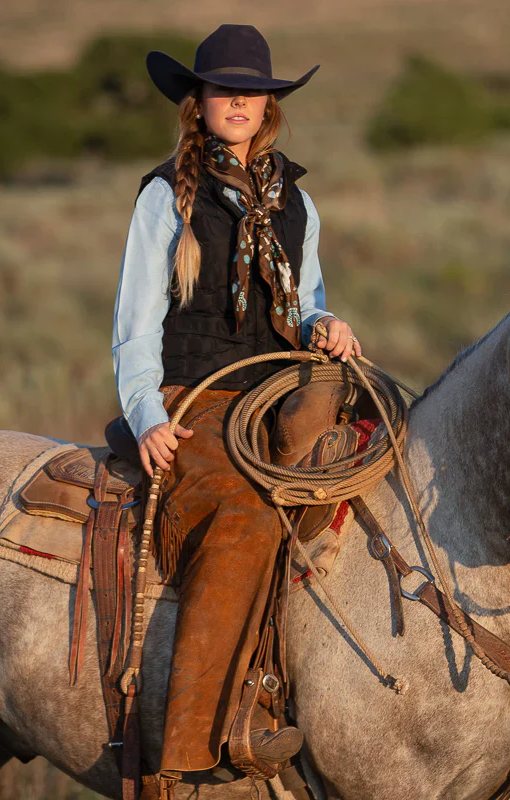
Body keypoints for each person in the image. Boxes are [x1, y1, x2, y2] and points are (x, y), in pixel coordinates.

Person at [111, 23, 361, 794]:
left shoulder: (297, 203)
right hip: (199, 398)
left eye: (252, 90)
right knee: (246, 513)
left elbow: (307, 302)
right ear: (199, 101)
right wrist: (149, 414)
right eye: (223, 88)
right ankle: (190, 748)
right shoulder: (166, 197)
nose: (239, 101)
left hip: (275, 391)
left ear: (270, 104)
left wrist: (326, 324)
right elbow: (134, 321)